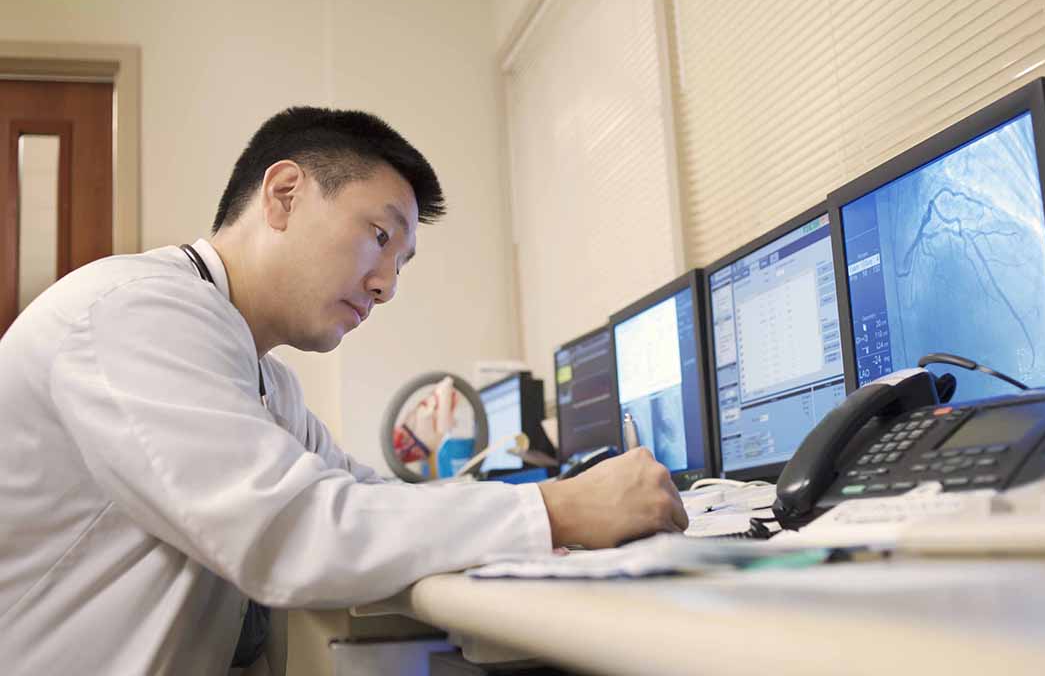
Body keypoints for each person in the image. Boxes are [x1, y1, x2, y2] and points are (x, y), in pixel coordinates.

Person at [0, 107, 689, 675]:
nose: (387, 283)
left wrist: (547, 509)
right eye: (379, 236)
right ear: (284, 194)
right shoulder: (136, 311)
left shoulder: (261, 375)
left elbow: (361, 498)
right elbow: (287, 531)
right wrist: (553, 509)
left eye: (401, 262)